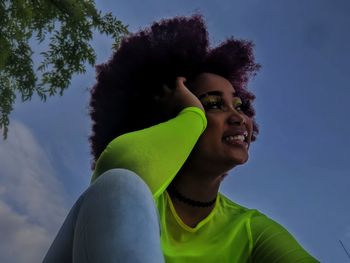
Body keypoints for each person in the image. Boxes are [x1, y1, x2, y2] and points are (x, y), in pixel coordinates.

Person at [43, 15, 319, 262]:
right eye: (212, 105)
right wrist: (192, 118)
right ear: (169, 118)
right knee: (117, 184)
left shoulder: (249, 229)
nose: (239, 118)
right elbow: (121, 174)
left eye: (239, 105)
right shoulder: (143, 195)